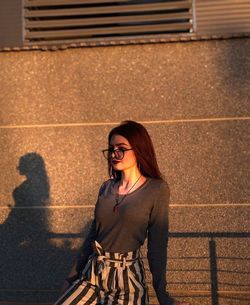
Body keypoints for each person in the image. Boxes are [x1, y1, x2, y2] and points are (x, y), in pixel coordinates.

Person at [54, 120, 190, 305]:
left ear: (139, 149)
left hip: (127, 281)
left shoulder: (156, 189)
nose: (114, 154)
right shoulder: (106, 188)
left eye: (121, 148)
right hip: (93, 275)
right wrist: (71, 279)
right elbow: (93, 236)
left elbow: (157, 246)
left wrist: (162, 294)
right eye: (111, 149)